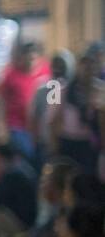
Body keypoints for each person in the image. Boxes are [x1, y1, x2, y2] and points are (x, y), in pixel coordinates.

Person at [47, 46, 102, 177]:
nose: (87, 68)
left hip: (91, 145)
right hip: (68, 143)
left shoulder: (100, 91)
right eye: (84, 64)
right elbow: (52, 120)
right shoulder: (60, 89)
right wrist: (54, 148)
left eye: (91, 64)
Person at [0, 42, 48, 162]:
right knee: (26, 158)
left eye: (34, 58)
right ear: (23, 57)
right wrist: (0, 127)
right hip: (18, 126)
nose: (31, 61)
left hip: (40, 128)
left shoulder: (46, 72)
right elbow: (0, 102)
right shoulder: (11, 74)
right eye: (28, 57)